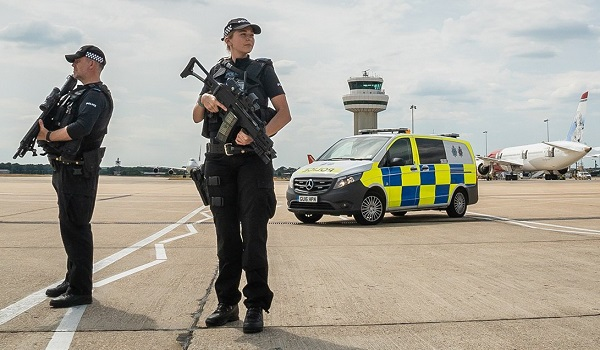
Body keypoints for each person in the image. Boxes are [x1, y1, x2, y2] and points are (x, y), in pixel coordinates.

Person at [192, 18, 291, 333]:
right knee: (226, 238)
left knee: (254, 236)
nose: (249, 39)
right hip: (219, 161)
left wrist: (256, 134)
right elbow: (196, 117)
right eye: (242, 34)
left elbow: (284, 114)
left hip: (252, 163)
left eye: (252, 35)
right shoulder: (215, 72)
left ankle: (256, 306)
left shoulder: (263, 70)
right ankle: (227, 303)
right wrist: (204, 100)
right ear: (227, 39)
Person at [38, 45, 114, 308]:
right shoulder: (77, 94)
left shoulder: (96, 96)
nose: (73, 65)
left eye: (77, 61)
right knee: (68, 226)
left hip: (79, 170)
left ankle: (81, 289)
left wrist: (47, 136)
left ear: (92, 63)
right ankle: (72, 279)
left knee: (78, 228)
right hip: (64, 168)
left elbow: (81, 128)